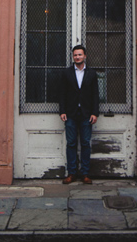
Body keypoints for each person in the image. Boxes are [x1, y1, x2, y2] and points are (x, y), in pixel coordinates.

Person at [59, 44, 98, 184]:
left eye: (80, 54)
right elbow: (62, 93)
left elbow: (95, 95)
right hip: (70, 113)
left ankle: (85, 173)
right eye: (75, 55)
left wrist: (95, 113)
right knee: (71, 143)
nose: (77, 57)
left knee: (86, 143)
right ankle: (72, 173)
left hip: (86, 114)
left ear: (85, 56)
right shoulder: (67, 73)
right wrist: (62, 111)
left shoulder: (92, 74)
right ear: (73, 56)